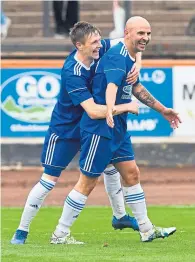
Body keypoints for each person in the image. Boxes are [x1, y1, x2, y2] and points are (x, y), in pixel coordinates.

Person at [51, 16, 181, 244]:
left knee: (132, 174)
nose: (146, 38)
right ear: (127, 33)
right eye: (141, 33)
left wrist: (162, 110)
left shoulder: (127, 56)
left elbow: (135, 87)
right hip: (100, 128)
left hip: (118, 128)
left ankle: (146, 229)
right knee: (87, 182)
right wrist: (112, 109)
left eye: (148, 33)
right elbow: (111, 86)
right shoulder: (116, 57)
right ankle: (60, 234)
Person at [10, 21, 142, 245]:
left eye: (100, 40)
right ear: (79, 46)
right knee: (48, 180)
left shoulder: (100, 49)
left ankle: (120, 216)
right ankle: (21, 231)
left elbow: (131, 43)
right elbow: (92, 110)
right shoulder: (72, 71)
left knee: (110, 165)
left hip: (89, 129)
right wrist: (127, 107)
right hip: (65, 131)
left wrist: (137, 62)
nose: (100, 46)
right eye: (94, 43)